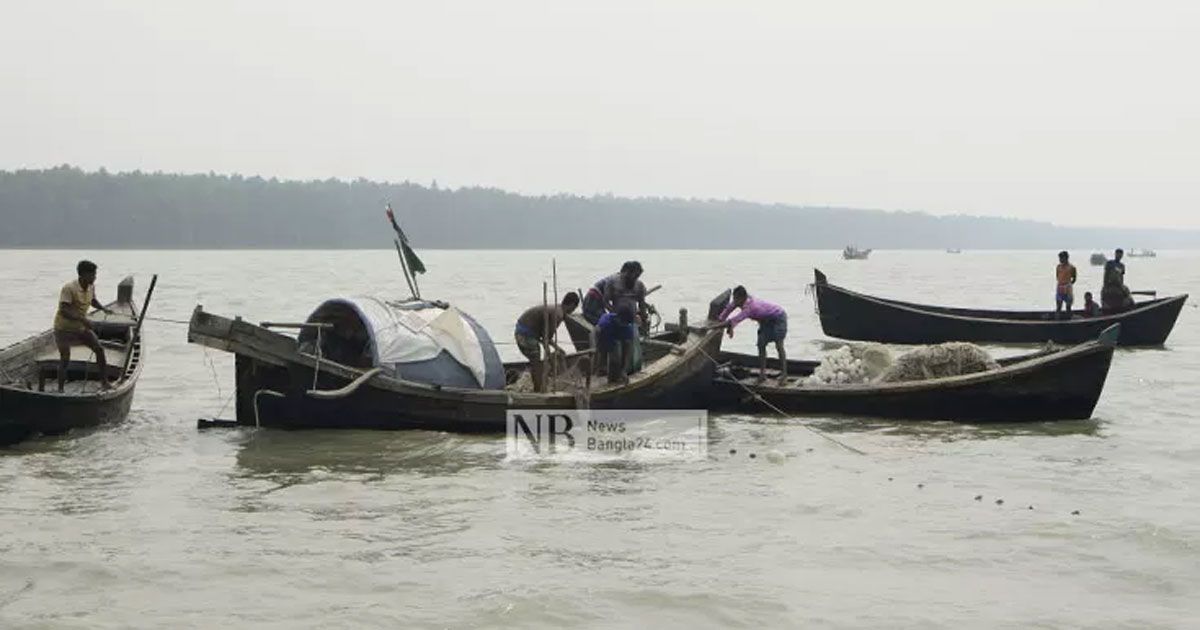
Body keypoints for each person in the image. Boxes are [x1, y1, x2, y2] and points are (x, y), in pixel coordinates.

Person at [54, 260, 114, 392]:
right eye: (93, 274)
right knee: (65, 358)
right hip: (63, 329)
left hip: (80, 328)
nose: (95, 277)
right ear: (83, 275)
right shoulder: (69, 288)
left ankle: (104, 383)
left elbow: (93, 300)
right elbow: (64, 309)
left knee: (99, 350)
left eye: (95, 274)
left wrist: (103, 308)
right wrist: (83, 320)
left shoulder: (91, 286)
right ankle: (60, 390)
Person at [714, 286, 788, 384]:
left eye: (736, 299)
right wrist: (720, 319)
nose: (735, 302)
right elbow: (729, 309)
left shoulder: (750, 307)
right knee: (761, 345)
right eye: (734, 299)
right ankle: (762, 375)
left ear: (743, 298)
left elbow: (736, 319)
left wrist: (718, 326)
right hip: (765, 321)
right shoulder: (738, 301)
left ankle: (784, 375)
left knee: (779, 345)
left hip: (778, 318)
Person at [514, 292, 579, 392]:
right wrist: (549, 353)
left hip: (526, 332)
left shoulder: (557, 308)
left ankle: (538, 386)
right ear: (571, 305)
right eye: (574, 308)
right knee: (536, 363)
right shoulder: (558, 314)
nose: (573, 311)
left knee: (537, 361)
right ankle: (538, 390)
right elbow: (546, 338)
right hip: (524, 334)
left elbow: (546, 337)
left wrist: (557, 348)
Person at [594, 303, 637, 385]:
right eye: (623, 322)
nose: (625, 325)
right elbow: (597, 334)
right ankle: (601, 370)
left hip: (617, 336)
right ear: (618, 318)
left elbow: (627, 350)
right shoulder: (605, 323)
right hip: (603, 334)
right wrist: (600, 350)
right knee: (609, 356)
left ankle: (616, 375)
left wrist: (624, 370)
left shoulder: (628, 328)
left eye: (627, 323)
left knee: (618, 357)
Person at [1101, 248, 1133, 313]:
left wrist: (1122, 287)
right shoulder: (1110, 263)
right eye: (1118, 254)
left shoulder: (1122, 266)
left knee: (1128, 296)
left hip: (1119, 285)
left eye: (1121, 255)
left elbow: (1121, 277)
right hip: (1110, 283)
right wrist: (1105, 286)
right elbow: (1106, 275)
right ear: (1115, 254)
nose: (1119, 256)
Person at [1054, 251, 1077, 318]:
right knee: (1058, 306)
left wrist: (1068, 285)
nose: (1060, 260)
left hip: (1067, 288)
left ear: (1066, 258)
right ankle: (1057, 320)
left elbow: (1074, 278)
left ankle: (1068, 320)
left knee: (1068, 307)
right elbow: (1057, 276)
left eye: (1062, 258)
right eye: (1060, 258)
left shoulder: (1072, 267)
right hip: (1060, 287)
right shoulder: (1058, 267)